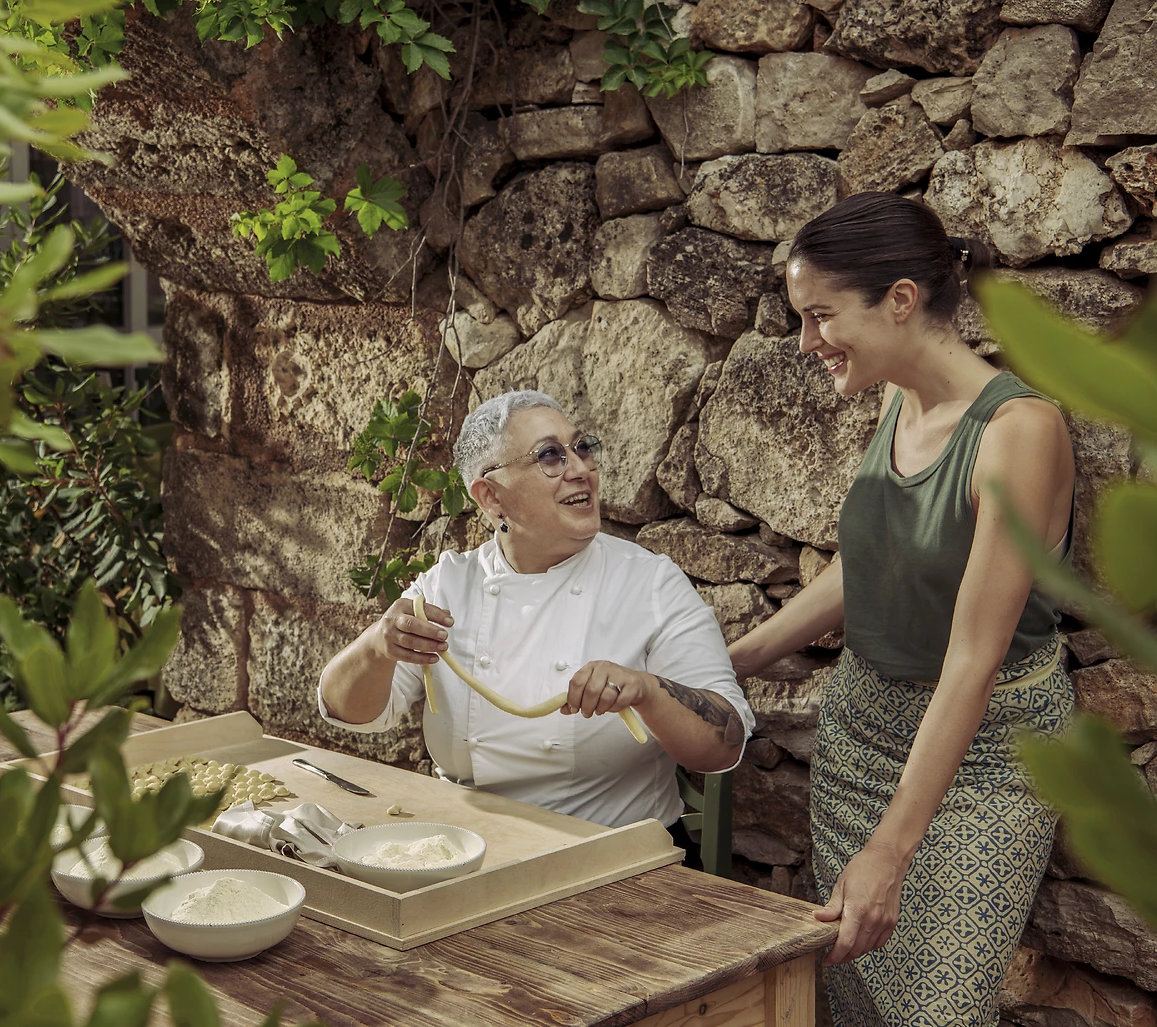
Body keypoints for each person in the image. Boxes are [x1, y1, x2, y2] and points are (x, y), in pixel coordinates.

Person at [727, 193, 1075, 1026]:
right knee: (852, 999)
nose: (806, 341)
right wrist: (732, 659)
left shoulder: (1018, 432)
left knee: (938, 1013)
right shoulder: (895, 401)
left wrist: (890, 848)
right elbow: (869, 566)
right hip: (860, 735)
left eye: (819, 316)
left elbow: (973, 659)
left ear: (902, 299)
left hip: (989, 753)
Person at [319, 390, 755, 831]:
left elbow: (725, 744)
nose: (581, 469)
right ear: (490, 497)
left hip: (611, 857)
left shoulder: (650, 583)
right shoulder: (447, 586)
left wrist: (646, 690)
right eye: (550, 456)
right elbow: (346, 711)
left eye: (581, 448)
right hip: (467, 848)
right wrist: (378, 645)